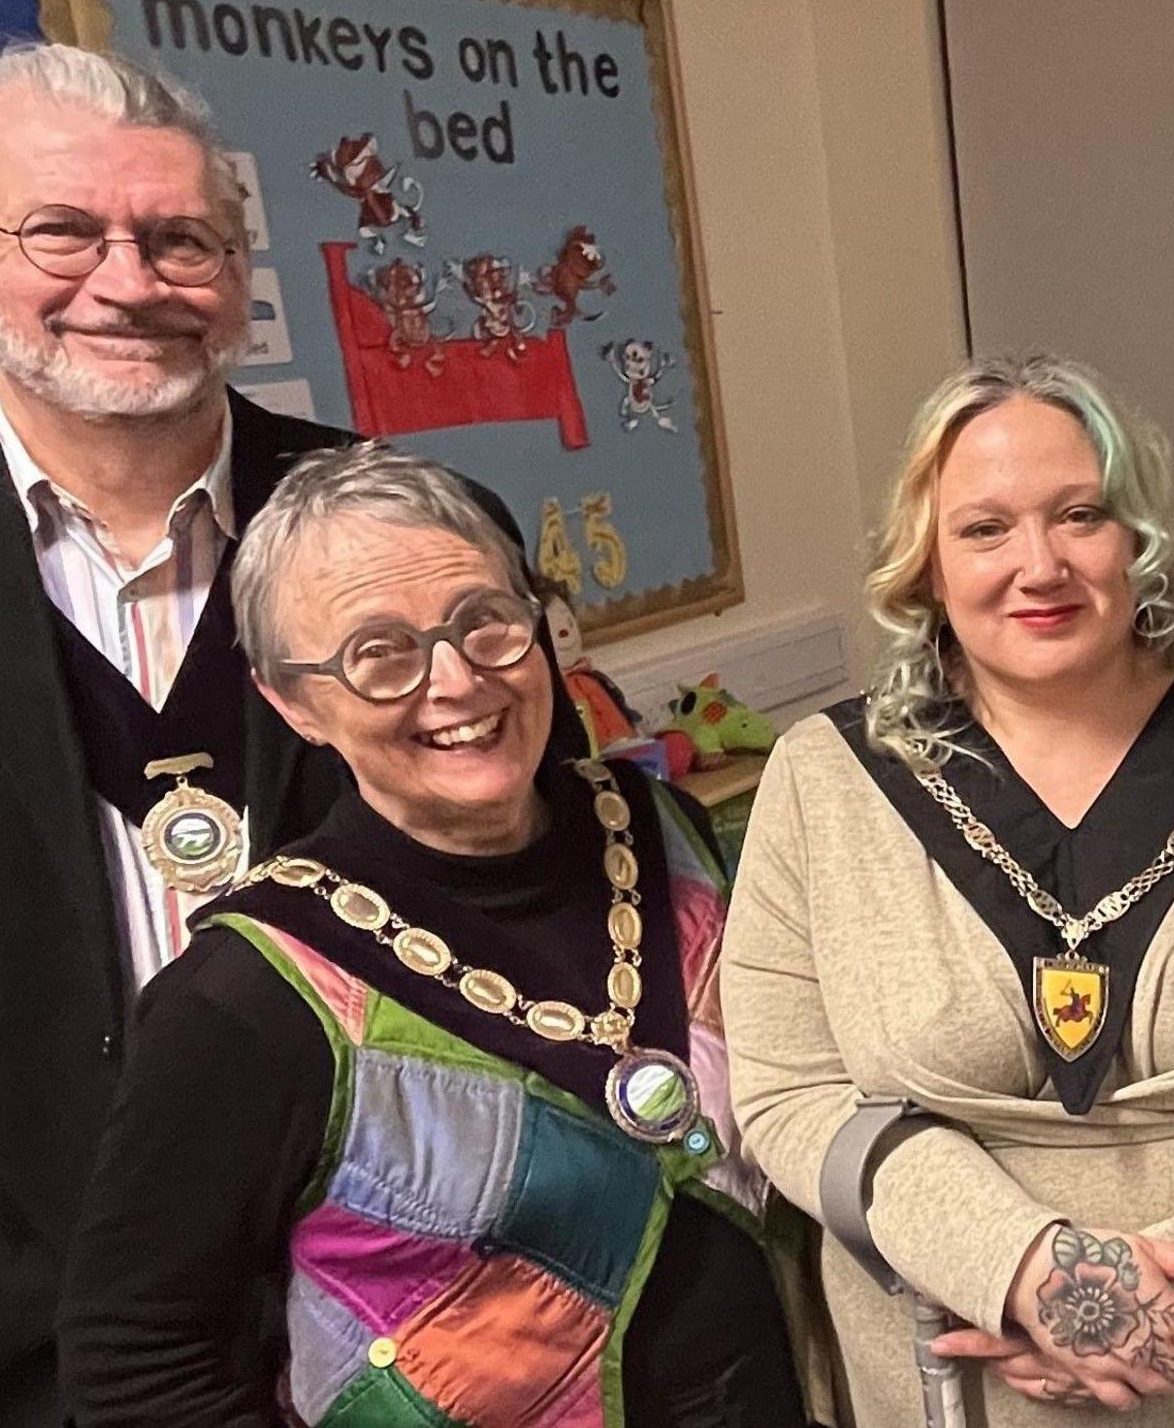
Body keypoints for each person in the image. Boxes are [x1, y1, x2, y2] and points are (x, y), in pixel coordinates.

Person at [0, 43, 463, 1427]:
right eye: (62, 230)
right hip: (3, 1325)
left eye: (178, 238)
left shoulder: (398, 517)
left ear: (236, 263)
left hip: (387, 1288)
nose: (127, 282)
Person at [722, 352, 1174, 1424]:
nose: (1038, 564)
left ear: (1136, 539)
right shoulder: (823, 779)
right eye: (984, 528)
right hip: (962, 1370)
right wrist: (1023, 1267)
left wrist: (1167, 1291)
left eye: (1080, 515)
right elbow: (788, 1088)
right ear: (925, 563)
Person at [56, 443, 812, 1426]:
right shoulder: (245, 994)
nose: (456, 682)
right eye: (380, 654)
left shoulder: (656, 825)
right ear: (292, 700)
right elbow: (136, 1357)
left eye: (485, 622)